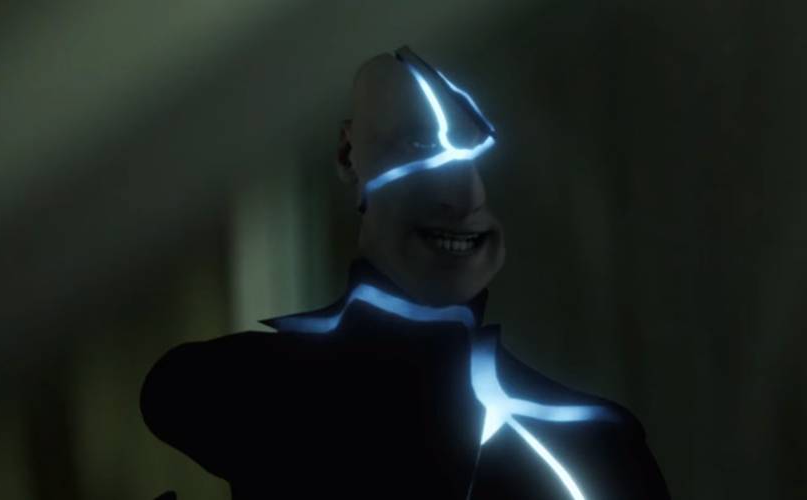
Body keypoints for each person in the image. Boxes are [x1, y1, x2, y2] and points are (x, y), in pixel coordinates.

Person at [140, 46, 670, 499]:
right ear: (348, 155)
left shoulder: (590, 443)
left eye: (474, 154)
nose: (464, 194)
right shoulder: (239, 385)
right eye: (420, 148)